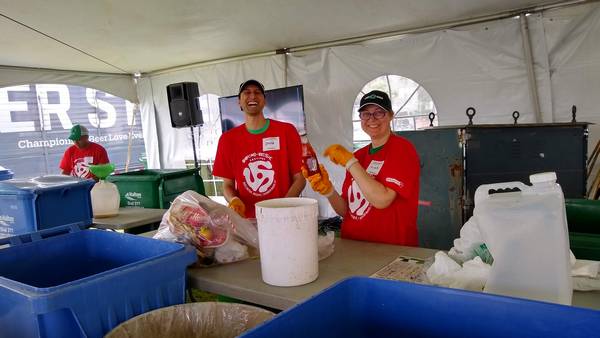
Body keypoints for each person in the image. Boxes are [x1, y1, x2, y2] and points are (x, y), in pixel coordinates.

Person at [304, 90, 420, 246]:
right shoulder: (359, 155)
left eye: (379, 113)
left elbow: (382, 200)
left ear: (391, 115)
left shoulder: (402, 149)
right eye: (366, 114)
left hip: (390, 248)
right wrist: (328, 191)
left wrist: (351, 163)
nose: (372, 119)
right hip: (354, 244)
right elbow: (347, 211)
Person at [213, 79, 306, 218]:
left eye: (257, 92)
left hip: (285, 216)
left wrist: (282, 208)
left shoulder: (286, 131)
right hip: (247, 220)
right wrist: (234, 200)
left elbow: (300, 178)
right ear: (239, 102)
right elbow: (227, 185)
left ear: (264, 100)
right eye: (247, 92)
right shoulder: (227, 140)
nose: (252, 96)